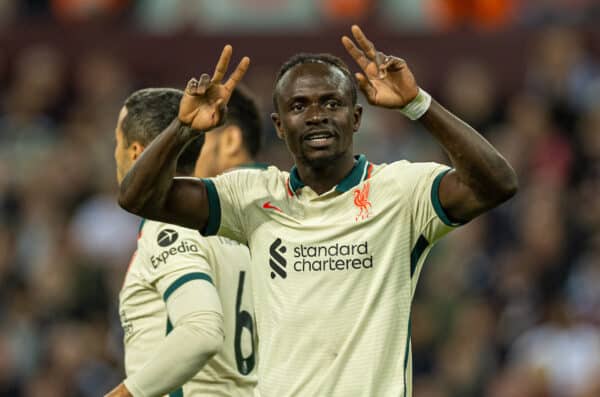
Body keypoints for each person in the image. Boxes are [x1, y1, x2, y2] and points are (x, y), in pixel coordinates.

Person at [118, 27, 518, 396]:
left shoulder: (400, 192)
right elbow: (141, 199)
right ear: (278, 125)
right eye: (299, 106)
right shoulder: (251, 196)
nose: (316, 116)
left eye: (331, 102)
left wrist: (418, 104)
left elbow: (497, 183)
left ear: (356, 117)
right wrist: (183, 129)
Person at [105, 85, 262, 397]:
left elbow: (200, 332)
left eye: (116, 143)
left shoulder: (169, 225)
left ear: (136, 152)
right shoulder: (246, 227)